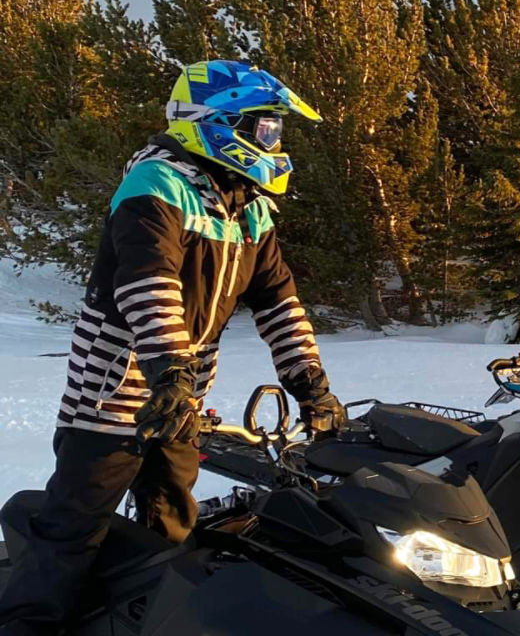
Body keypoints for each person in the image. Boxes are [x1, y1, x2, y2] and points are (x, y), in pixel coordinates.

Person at [0, 61, 345, 632]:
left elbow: (280, 302)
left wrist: (312, 387)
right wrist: (169, 374)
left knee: (173, 522)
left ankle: (145, 620)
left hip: (179, 393)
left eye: (275, 133)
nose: (273, 143)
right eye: (263, 130)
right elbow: (147, 283)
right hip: (116, 390)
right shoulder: (154, 186)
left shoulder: (248, 209)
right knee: (73, 528)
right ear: (216, 124)